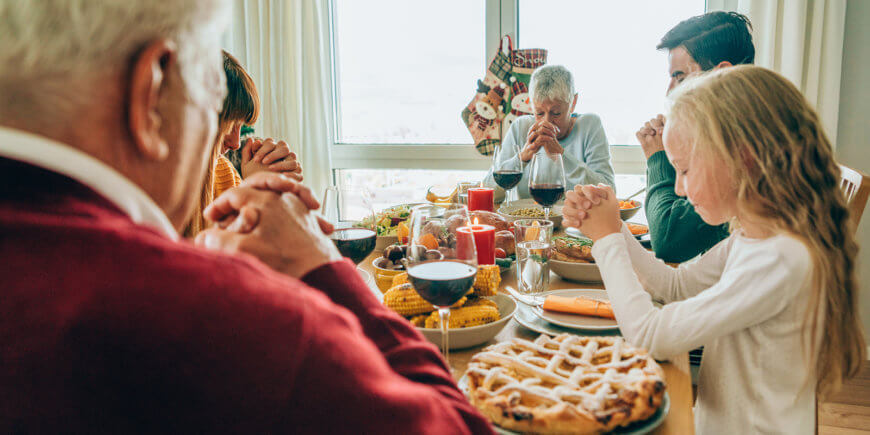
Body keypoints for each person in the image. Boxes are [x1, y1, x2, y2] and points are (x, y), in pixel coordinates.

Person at [0, 1, 492, 433]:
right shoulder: (231, 322)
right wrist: (324, 269)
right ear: (150, 94)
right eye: (210, 91)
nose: (230, 140)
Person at [562, 66, 865, 433]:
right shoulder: (754, 236)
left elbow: (649, 335)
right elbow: (674, 286)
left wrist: (606, 239)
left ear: (744, 160)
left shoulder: (781, 258)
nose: (678, 189)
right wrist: (617, 227)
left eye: (685, 170)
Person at [638, 11, 755, 262]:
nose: (669, 91)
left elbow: (670, 242)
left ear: (721, 74)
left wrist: (658, 157)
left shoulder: (744, 147)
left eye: (679, 77)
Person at [183, 51, 302, 237]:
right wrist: (250, 192)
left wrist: (264, 194)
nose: (236, 143)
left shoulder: (225, 172)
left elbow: (249, 255)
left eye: (241, 126)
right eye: (229, 124)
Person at [484, 65, 614, 199]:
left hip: (577, 219)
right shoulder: (521, 127)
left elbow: (609, 192)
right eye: (539, 113)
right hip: (528, 220)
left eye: (556, 113)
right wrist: (523, 158)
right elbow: (489, 193)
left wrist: (561, 155)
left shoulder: (589, 125)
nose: (547, 121)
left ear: (573, 103)